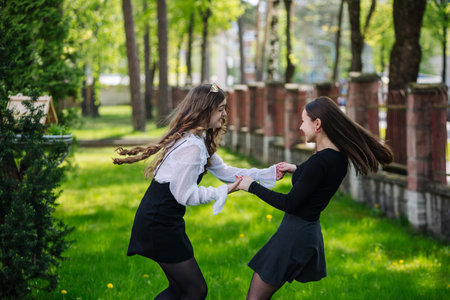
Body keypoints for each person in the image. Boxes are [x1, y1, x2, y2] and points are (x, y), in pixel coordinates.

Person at [113, 83, 279, 300]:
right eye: (220, 108)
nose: (224, 114)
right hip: (159, 224)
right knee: (194, 290)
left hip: (163, 221)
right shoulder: (192, 146)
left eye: (225, 108)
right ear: (205, 110)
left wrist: (270, 172)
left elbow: (227, 172)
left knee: (182, 289)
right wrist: (225, 191)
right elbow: (185, 195)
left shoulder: (197, 140)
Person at [237, 96, 393, 300]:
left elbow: (290, 203)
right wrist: (296, 169)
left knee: (255, 298)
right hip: (304, 231)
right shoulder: (336, 157)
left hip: (294, 235)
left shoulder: (320, 162)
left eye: (304, 121)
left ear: (317, 124)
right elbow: (316, 181)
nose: (301, 127)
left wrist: (251, 186)